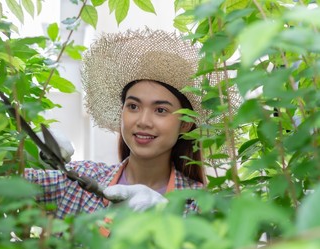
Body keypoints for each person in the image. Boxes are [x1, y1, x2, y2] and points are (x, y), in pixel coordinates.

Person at [25, 28, 222, 221]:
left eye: (160, 110)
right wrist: (27, 151)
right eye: (133, 106)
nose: (143, 121)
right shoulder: (78, 180)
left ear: (185, 125)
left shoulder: (201, 204)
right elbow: (1, 182)